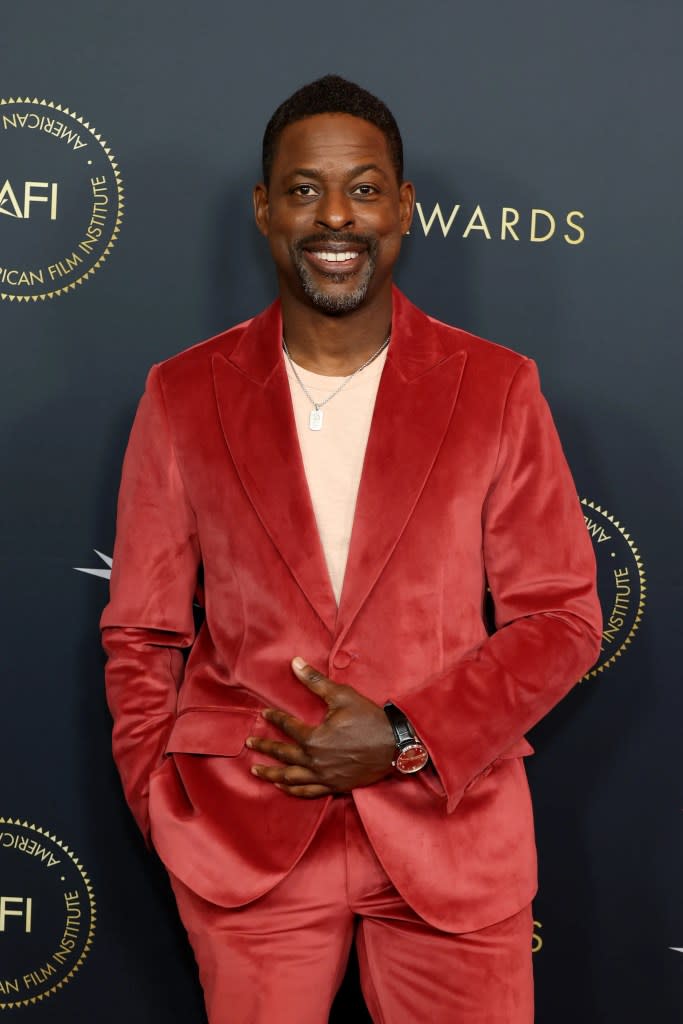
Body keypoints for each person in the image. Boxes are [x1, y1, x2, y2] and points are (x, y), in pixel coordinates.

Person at [101, 74, 601, 1024]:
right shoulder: (180, 394)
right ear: (263, 209)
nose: (334, 215)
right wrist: (165, 805)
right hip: (246, 845)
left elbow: (560, 618)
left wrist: (407, 735)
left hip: (451, 837)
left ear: (404, 207)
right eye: (302, 190)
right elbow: (141, 633)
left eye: (364, 188)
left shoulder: (496, 389)